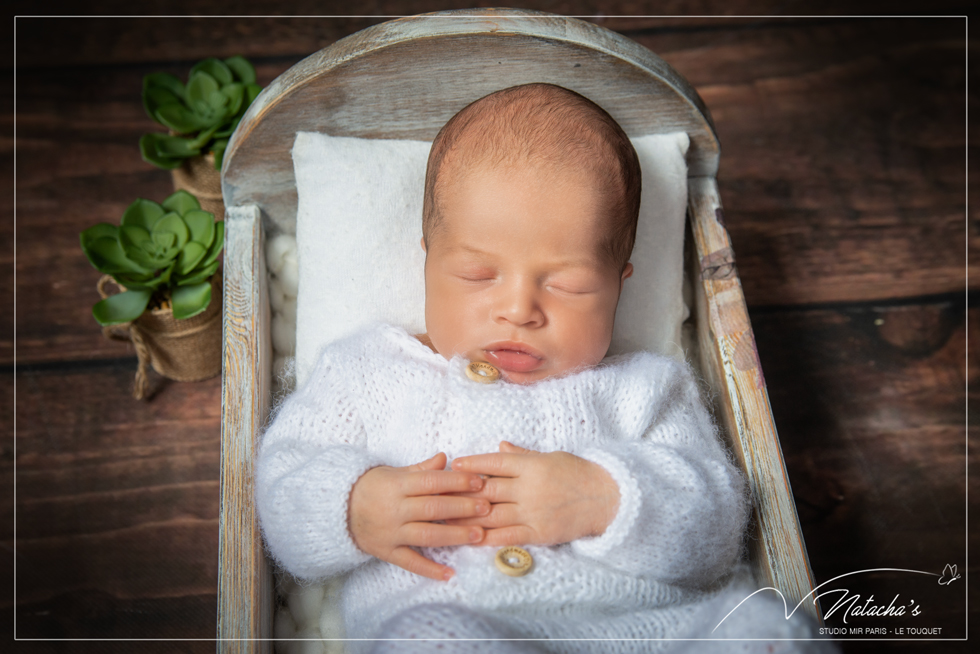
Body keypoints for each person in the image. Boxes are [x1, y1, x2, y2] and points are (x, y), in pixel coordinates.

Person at [256, 84, 830, 652]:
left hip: (644, 631)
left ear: (616, 286)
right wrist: (353, 506)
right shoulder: (369, 373)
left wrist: (607, 497)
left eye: (569, 285)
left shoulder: (643, 389)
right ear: (427, 258)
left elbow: (716, 522)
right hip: (447, 620)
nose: (519, 310)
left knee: (765, 629)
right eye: (480, 276)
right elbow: (282, 485)